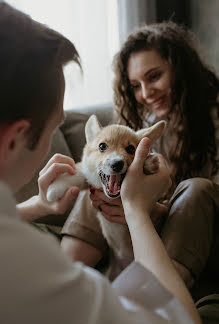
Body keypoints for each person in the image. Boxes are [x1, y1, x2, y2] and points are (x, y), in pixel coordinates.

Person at [0, 3, 202, 324]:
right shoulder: (26, 262)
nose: (145, 92)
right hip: (127, 253)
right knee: (95, 181)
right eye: (55, 126)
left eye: (154, 76)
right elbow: (179, 322)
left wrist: (38, 205)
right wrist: (135, 207)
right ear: (16, 139)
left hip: (178, 225)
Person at [61, 21, 219, 292]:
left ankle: (159, 297)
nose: (145, 94)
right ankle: (61, 281)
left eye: (154, 76)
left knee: (196, 189)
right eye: (135, 85)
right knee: (101, 181)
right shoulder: (144, 126)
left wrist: (150, 211)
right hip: (148, 231)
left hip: (202, 237)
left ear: (182, 70)